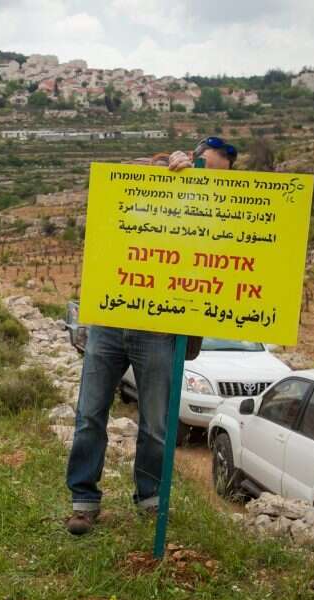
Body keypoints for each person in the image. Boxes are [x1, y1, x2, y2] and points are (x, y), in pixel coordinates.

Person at [65, 136, 239, 535]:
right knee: (90, 413)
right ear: (190, 157)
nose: (206, 178)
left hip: (159, 331)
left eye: (217, 175)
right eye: (202, 166)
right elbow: (115, 187)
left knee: (157, 424)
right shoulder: (156, 171)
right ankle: (83, 501)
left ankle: (150, 500)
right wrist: (163, 169)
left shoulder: (219, 212)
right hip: (110, 321)